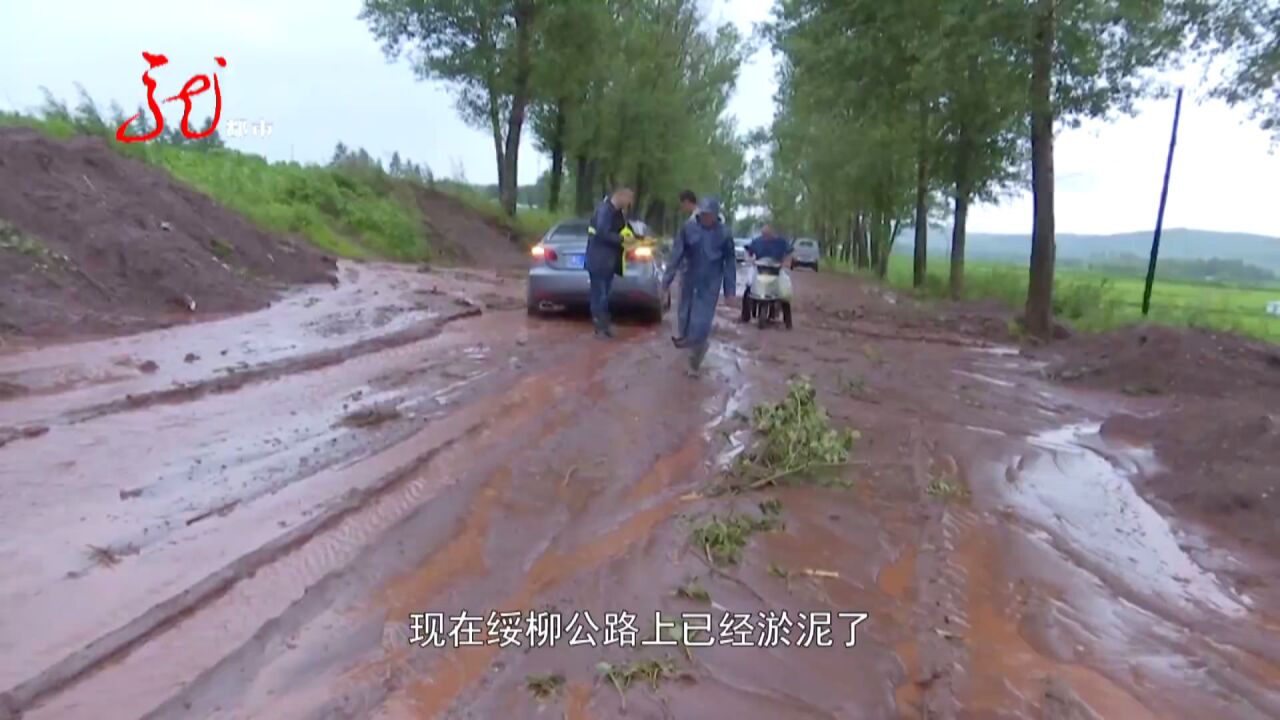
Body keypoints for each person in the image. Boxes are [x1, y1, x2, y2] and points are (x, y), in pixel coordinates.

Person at [662, 197, 736, 375]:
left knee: (701, 321)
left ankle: (695, 359)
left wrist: (730, 291)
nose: (705, 218)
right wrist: (666, 282)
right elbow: (676, 256)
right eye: (703, 214)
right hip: (689, 276)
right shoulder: (688, 228)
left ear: (716, 215)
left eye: (709, 215)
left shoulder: (724, 233)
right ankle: (689, 340)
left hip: (710, 281)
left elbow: (730, 263)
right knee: (684, 316)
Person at [586, 187, 634, 339]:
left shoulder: (616, 212)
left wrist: (633, 238)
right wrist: (622, 240)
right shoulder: (605, 210)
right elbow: (602, 232)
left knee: (604, 294)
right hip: (599, 259)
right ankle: (600, 328)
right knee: (599, 295)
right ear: (620, 196)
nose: (629, 203)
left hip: (608, 260)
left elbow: (622, 229)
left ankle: (604, 326)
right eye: (628, 200)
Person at [741, 223, 793, 323]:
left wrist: (785, 262)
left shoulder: (781, 242)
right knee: (748, 289)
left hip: (776, 270)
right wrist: (750, 259)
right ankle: (745, 317)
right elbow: (749, 252)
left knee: (784, 292)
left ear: (773, 233)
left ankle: (788, 322)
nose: (765, 237)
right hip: (759, 269)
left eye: (767, 234)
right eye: (764, 234)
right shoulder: (757, 241)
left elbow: (790, 252)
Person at [671, 189, 699, 344]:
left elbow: (678, 253)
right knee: (696, 304)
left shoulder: (691, 223)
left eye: (682, 205)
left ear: (687, 202)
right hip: (706, 273)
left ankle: (685, 336)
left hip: (690, 270)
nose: (682, 208)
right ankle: (693, 336)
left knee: (685, 303)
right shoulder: (715, 219)